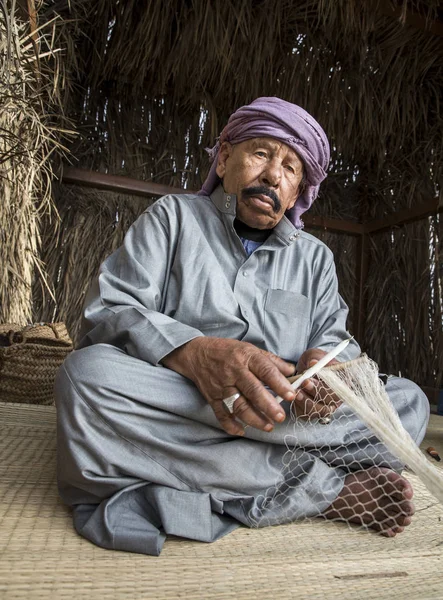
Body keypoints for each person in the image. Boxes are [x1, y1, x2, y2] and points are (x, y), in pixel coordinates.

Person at [55, 97, 429, 556]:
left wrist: (332, 371)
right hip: (183, 401)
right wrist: (194, 352)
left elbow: (334, 339)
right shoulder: (173, 218)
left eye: (291, 168)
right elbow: (112, 309)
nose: (274, 174)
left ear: (297, 194)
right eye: (261, 153)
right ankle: (319, 489)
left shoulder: (315, 259)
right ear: (226, 157)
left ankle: (208, 469)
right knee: (87, 377)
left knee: (408, 405)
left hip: (284, 418)